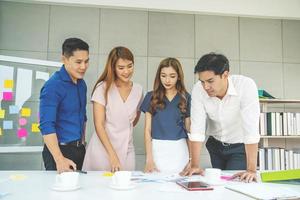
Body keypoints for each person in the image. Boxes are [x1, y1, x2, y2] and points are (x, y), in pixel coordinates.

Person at [181, 53, 260, 182]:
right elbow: (197, 129)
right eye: (202, 82)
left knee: (235, 183)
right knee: (219, 184)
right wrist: (194, 165)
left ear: (225, 75)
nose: (206, 87)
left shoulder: (245, 86)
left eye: (210, 81)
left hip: (239, 147)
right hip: (215, 146)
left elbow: (251, 129)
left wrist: (251, 170)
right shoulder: (198, 90)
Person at [82, 46, 143, 172]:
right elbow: (98, 125)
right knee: (101, 188)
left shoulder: (139, 90)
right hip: (103, 149)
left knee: (126, 187)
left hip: (127, 148)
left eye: (130, 66)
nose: (126, 71)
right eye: (121, 68)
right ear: (113, 68)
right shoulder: (102, 88)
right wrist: (112, 155)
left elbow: (133, 121)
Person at [39, 38, 89, 173]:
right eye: (78, 62)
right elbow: (46, 125)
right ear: (64, 59)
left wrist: (82, 144)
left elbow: (83, 117)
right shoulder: (53, 86)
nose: (83, 66)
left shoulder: (81, 84)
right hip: (59, 152)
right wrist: (59, 159)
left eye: (86, 61)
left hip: (79, 150)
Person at [140, 58, 191, 173]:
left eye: (172, 76)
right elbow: (147, 130)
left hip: (180, 151)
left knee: (179, 187)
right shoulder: (150, 96)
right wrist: (149, 159)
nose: (167, 80)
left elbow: (189, 131)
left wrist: (191, 159)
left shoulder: (186, 98)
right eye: (163, 76)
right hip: (157, 150)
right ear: (159, 76)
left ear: (179, 77)